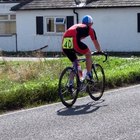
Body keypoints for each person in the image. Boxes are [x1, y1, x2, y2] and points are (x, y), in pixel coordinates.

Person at [62, 15, 101, 82]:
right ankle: (88, 74)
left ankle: (70, 84)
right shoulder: (90, 29)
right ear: (90, 23)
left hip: (65, 42)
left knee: (75, 64)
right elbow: (95, 42)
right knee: (88, 54)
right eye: (92, 23)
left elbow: (77, 37)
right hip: (74, 41)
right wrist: (99, 51)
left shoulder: (78, 26)